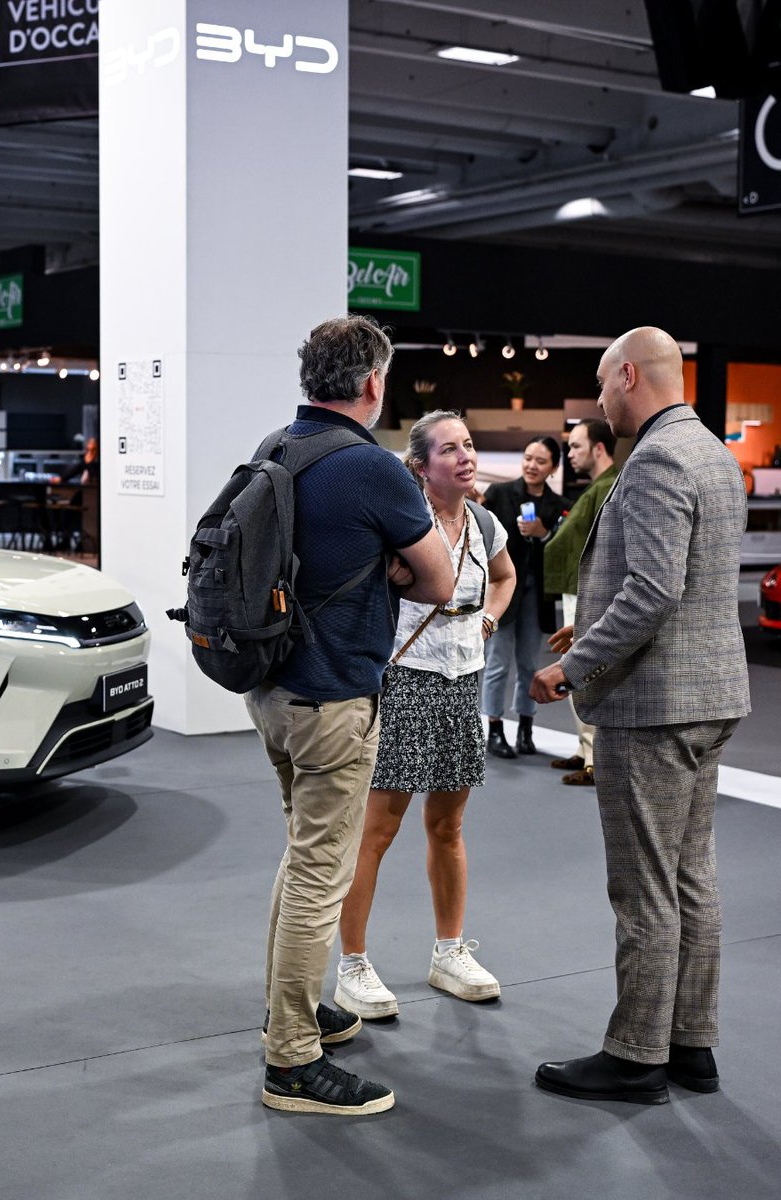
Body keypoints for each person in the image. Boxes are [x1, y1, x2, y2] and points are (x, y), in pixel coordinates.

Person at [530, 327, 750, 1105]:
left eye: (600, 382)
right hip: (710, 696)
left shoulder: (656, 457)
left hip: (653, 707)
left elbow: (654, 590)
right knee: (693, 878)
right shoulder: (716, 455)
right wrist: (589, 628)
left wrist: (571, 664)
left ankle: (635, 1057)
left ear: (629, 375)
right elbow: (685, 585)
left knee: (644, 889)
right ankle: (692, 1046)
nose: (597, 400)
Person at [246, 315, 455, 1117]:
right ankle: (291, 1061)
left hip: (270, 690)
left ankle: (290, 1011)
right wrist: (391, 568)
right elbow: (438, 581)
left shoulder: (274, 448)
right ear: (372, 383)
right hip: (333, 698)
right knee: (318, 876)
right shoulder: (371, 469)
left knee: (300, 859)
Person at [334, 411, 516, 1020]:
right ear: (420, 466)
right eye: (449, 449)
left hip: (463, 680)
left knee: (448, 826)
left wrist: (488, 617)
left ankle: (449, 951)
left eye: (468, 445)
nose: (465, 457)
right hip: (405, 677)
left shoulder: (486, 522)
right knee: (377, 831)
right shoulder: (402, 525)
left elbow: (507, 575)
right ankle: (352, 964)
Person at [481, 437, 568, 758]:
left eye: (540, 461)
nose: (532, 465)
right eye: (528, 457)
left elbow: (565, 553)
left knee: (530, 664)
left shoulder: (561, 506)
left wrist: (544, 534)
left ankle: (526, 729)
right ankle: (494, 730)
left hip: (537, 595)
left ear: (553, 468)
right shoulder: (498, 495)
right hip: (502, 591)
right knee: (497, 663)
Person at [543, 418, 618, 786]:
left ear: (598, 448)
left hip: (588, 592)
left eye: (575, 446)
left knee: (583, 670)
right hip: (577, 588)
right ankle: (586, 749)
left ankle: (594, 759)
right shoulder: (600, 487)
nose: (568, 454)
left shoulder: (608, 488)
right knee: (578, 669)